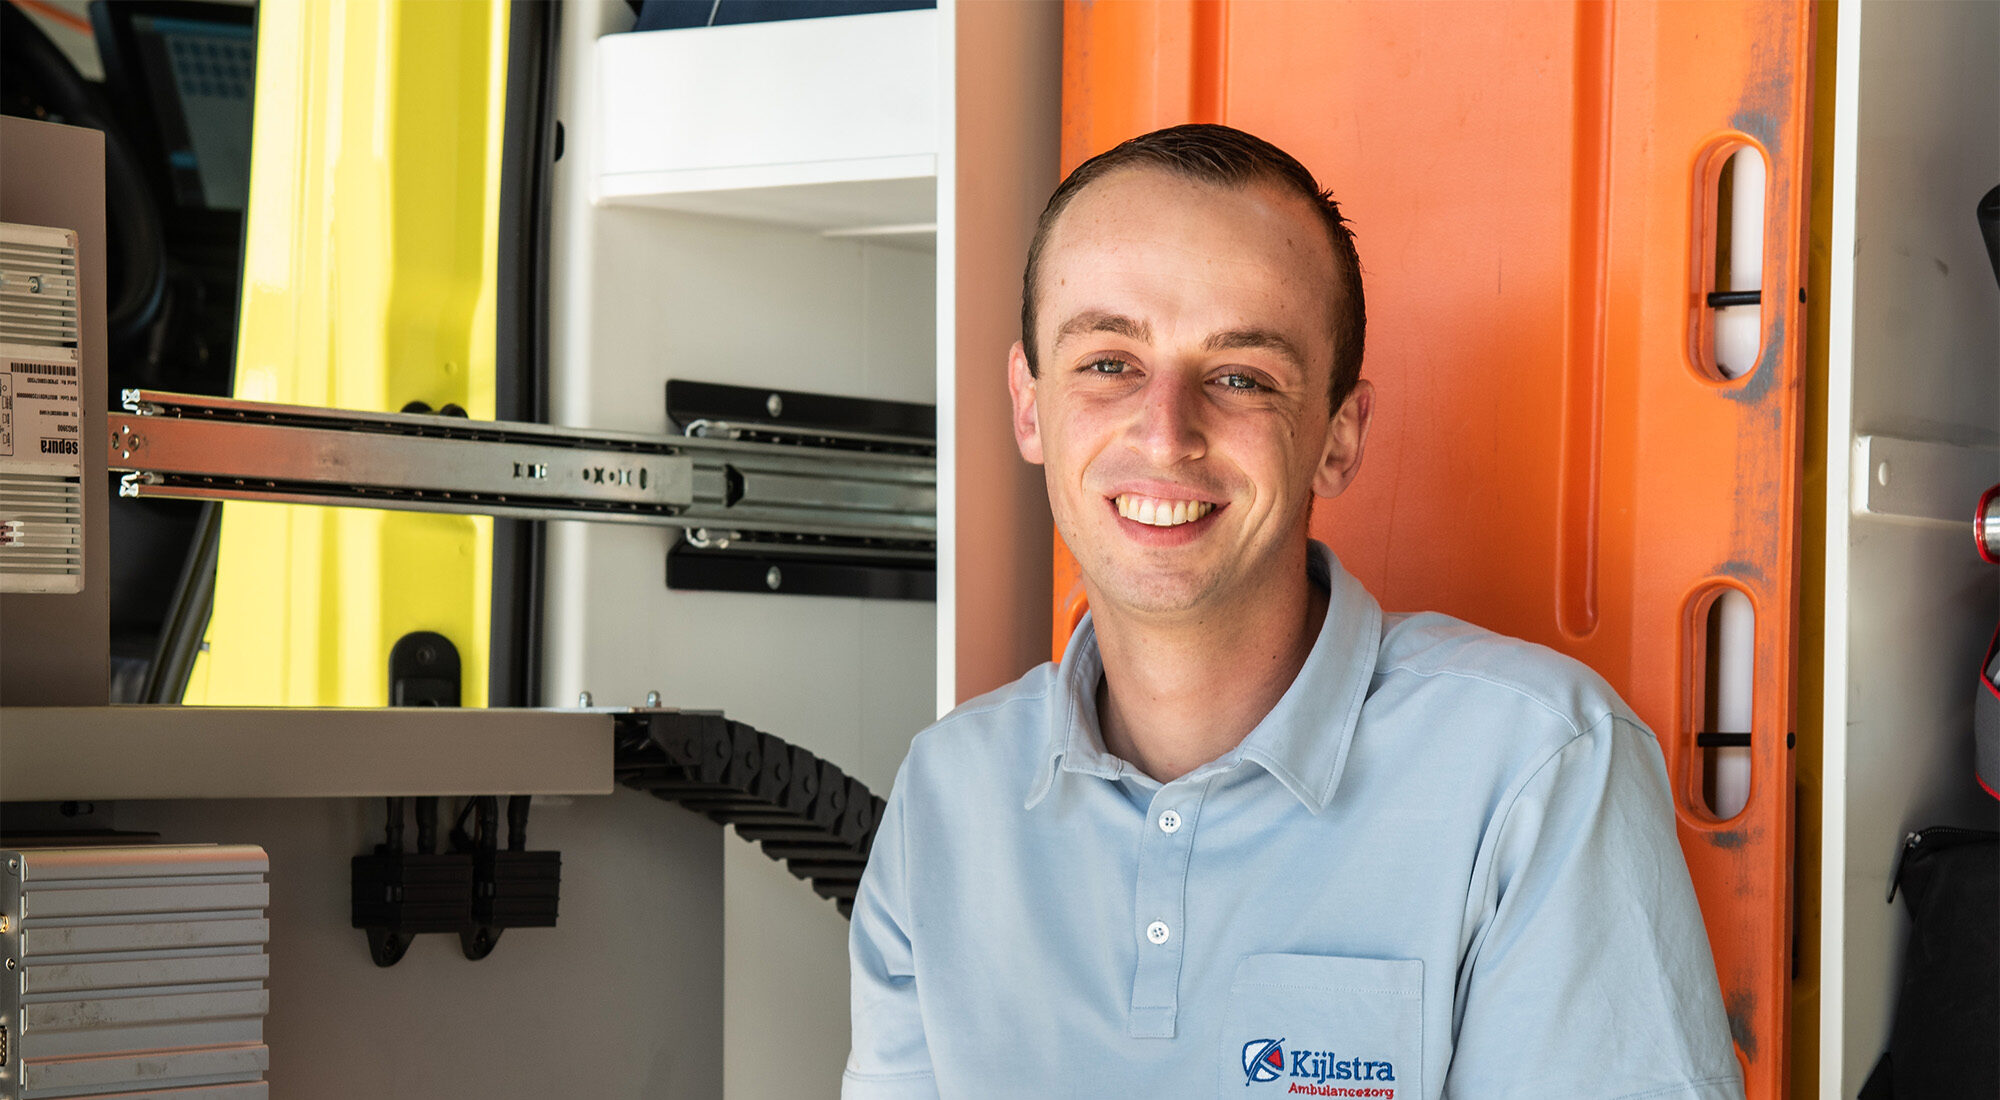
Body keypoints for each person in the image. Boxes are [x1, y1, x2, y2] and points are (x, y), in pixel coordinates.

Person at [844, 124, 1743, 1099]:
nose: (1165, 433)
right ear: (1029, 405)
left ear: (1337, 437)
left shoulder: (1537, 767)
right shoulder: (946, 796)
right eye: (1108, 362)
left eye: (1240, 377)